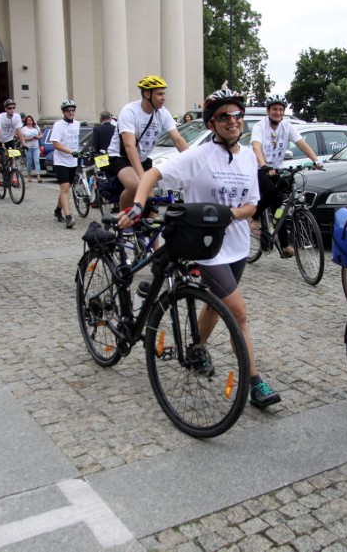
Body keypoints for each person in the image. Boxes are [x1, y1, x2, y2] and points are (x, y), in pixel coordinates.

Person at [118, 88, 281, 409]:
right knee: (238, 313)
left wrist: (230, 215)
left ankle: (196, 349)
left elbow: (252, 204)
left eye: (237, 115)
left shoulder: (248, 156)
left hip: (236, 246)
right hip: (205, 248)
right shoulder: (200, 156)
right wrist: (138, 205)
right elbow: (152, 174)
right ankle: (255, 382)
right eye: (224, 117)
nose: (232, 121)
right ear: (211, 123)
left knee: (213, 305)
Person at [250, 93, 323, 257]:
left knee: (280, 204)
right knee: (273, 194)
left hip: (276, 169)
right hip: (258, 168)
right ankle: (253, 216)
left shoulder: (287, 127)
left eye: (281, 110)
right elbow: (256, 147)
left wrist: (316, 160)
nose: (278, 113)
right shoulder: (260, 126)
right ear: (268, 111)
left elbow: (301, 143)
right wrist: (263, 165)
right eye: (275, 109)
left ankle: (284, 245)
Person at [106, 75, 188, 210]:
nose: (164, 98)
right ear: (147, 94)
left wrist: (194, 162)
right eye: (159, 94)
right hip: (121, 157)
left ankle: (150, 227)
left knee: (150, 200)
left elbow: (178, 140)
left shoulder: (163, 113)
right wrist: (142, 176)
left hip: (143, 158)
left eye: (164, 94)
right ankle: (124, 222)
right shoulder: (130, 111)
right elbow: (129, 145)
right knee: (137, 187)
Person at [49, 100, 81, 227]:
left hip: (73, 162)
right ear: (63, 112)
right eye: (68, 111)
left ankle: (57, 210)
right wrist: (70, 152)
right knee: (65, 187)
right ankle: (68, 217)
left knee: (66, 188)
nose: (71, 112)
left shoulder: (77, 124)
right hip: (61, 161)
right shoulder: (58, 125)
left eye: (72, 110)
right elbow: (56, 144)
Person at [0, 99, 25, 178]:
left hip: (9, 139)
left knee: (12, 157)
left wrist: (24, 144)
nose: (12, 110)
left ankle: (13, 178)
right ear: (6, 109)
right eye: (10, 108)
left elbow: (19, 131)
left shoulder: (17, 116)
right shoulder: (0, 117)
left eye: (13, 108)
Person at [21, 115, 42, 183]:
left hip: (36, 146)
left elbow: (41, 134)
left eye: (30, 120)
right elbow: (22, 138)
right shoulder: (24, 129)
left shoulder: (36, 127)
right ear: (26, 121)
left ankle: (38, 175)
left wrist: (38, 137)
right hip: (28, 147)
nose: (29, 121)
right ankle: (29, 175)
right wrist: (29, 139)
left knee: (37, 161)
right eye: (28, 120)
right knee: (29, 162)